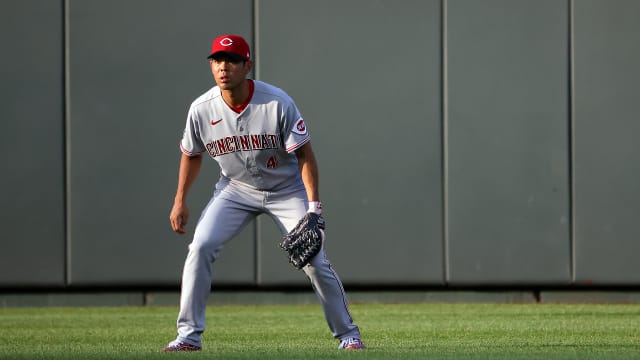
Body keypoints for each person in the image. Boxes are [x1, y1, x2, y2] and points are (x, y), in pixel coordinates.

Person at [162, 34, 365, 352]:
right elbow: (191, 153)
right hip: (235, 189)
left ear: (248, 66)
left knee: (313, 260)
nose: (223, 67)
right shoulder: (201, 109)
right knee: (200, 246)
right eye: (216, 60)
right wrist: (179, 200)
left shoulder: (276, 102)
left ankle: (349, 335)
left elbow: (304, 156)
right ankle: (188, 336)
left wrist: (313, 207)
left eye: (231, 60)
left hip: (286, 189)